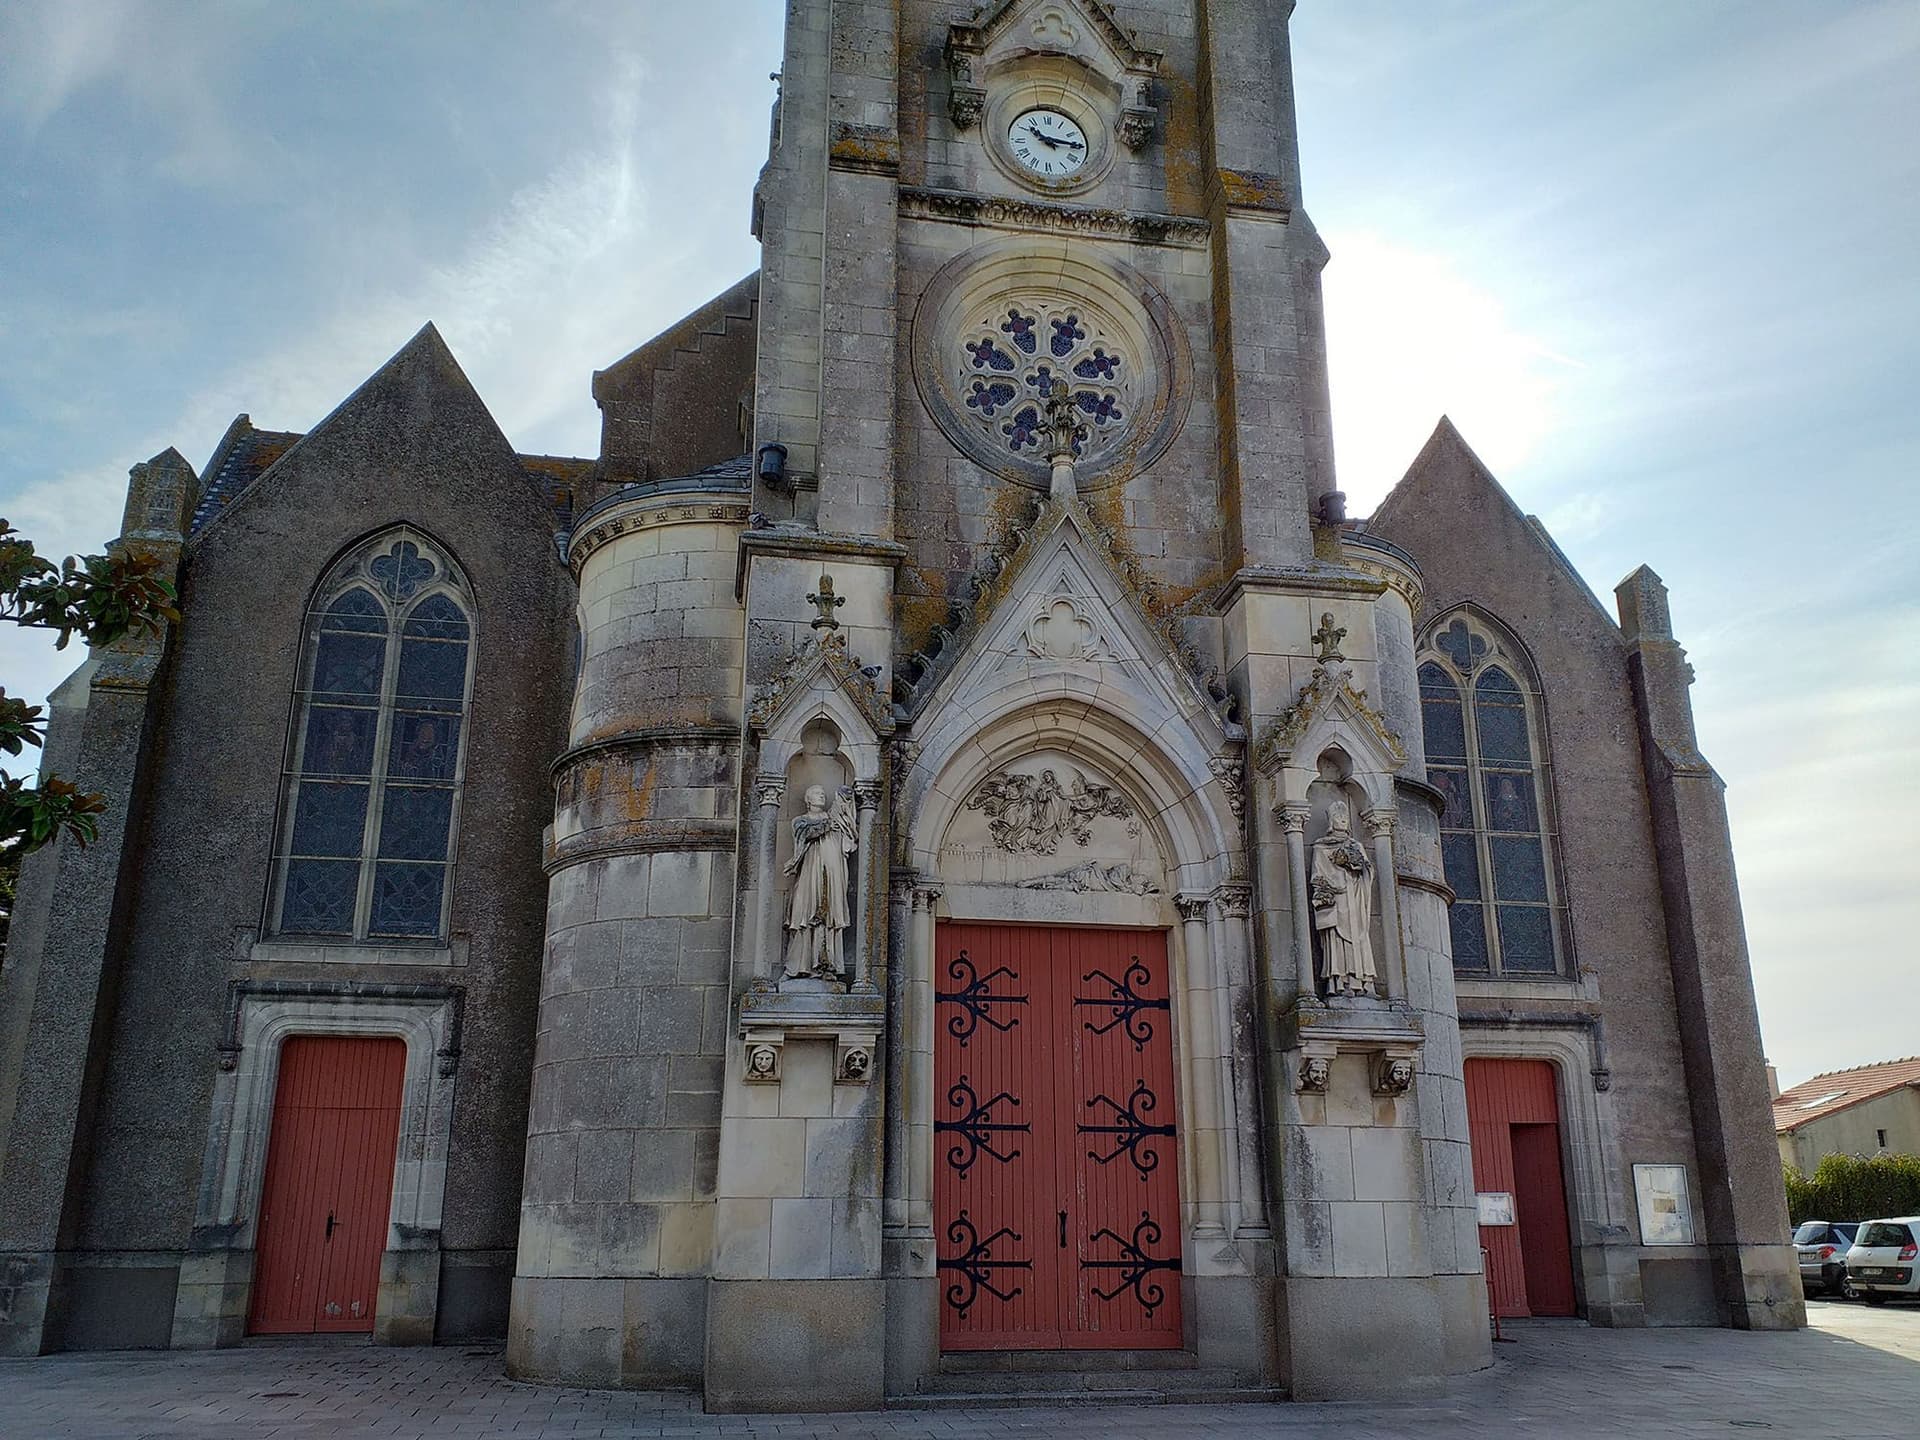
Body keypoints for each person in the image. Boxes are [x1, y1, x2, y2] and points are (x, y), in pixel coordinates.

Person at [783, 784, 858, 979]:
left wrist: (845, 804)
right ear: (808, 800)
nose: (822, 795)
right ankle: (802, 966)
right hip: (810, 874)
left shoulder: (834, 820)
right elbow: (805, 834)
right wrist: (827, 825)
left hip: (833, 875)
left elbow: (849, 834)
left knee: (830, 917)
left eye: (823, 793)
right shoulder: (800, 821)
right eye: (817, 793)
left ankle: (828, 964)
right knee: (805, 915)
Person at [1309, 801, 1378, 997]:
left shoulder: (1356, 845)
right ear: (1331, 820)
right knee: (1337, 940)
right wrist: (1338, 872)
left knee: (1360, 937)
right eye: (1338, 816)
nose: (1342, 819)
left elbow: (1368, 871)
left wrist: (1357, 866)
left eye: (1345, 816)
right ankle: (1339, 982)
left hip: (1355, 898)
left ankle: (1363, 981)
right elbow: (1318, 875)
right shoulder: (1321, 846)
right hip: (1337, 903)